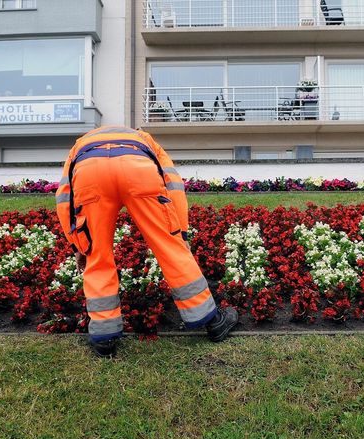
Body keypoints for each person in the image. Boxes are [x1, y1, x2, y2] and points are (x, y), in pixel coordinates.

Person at [56, 126, 238, 357]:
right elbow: (173, 185)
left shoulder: (79, 144)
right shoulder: (144, 138)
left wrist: (79, 246)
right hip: (138, 169)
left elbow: (64, 197)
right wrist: (180, 233)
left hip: (89, 174)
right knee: (170, 248)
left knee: (97, 256)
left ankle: (104, 337)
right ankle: (212, 322)